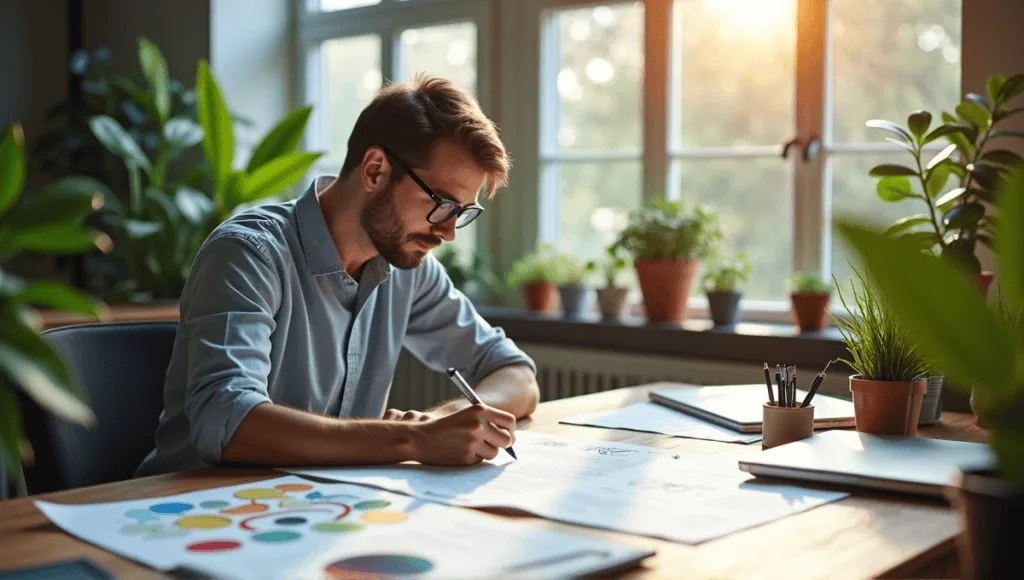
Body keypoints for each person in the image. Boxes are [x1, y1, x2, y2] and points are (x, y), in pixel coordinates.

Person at [136, 75, 539, 477]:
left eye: (462, 213)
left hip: (319, 503)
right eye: (443, 204)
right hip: (191, 502)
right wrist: (413, 439)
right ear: (375, 170)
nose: (448, 233)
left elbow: (516, 373)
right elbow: (227, 421)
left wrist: (452, 417)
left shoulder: (407, 268)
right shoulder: (248, 253)